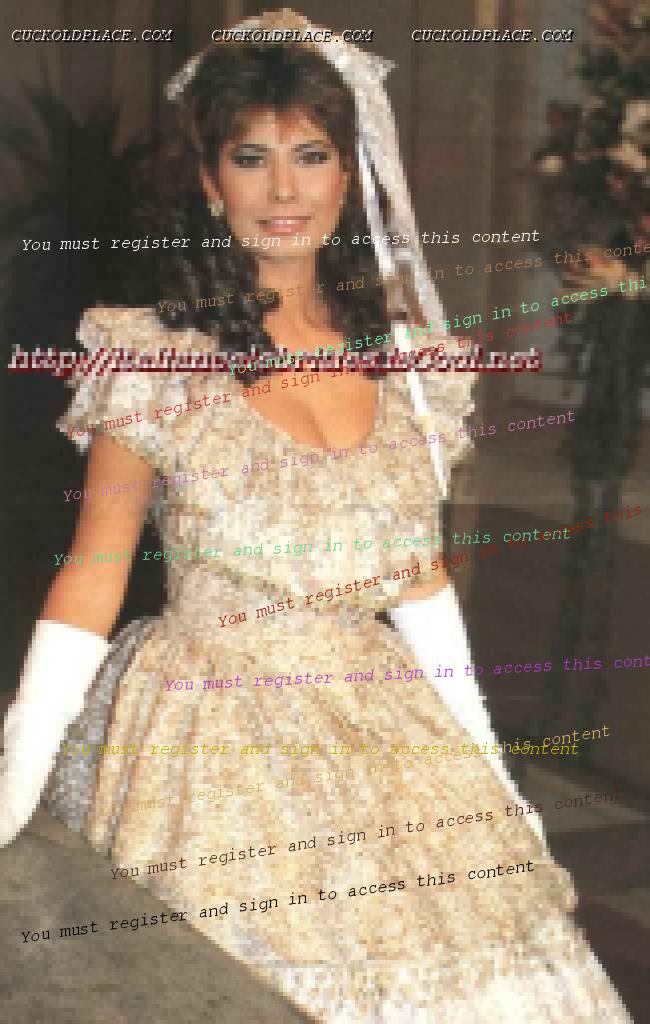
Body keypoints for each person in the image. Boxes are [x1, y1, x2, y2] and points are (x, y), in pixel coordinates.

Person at [0, 11, 631, 1022]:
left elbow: (420, 583)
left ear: (350, 175)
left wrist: (485, 768)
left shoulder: (412, 367)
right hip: (206, 729)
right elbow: (94, 576)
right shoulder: (151, 358)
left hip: (381, 722)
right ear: (210, 181)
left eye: (311, 156)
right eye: (251, 158)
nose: (284, 191)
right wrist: (15, 779)